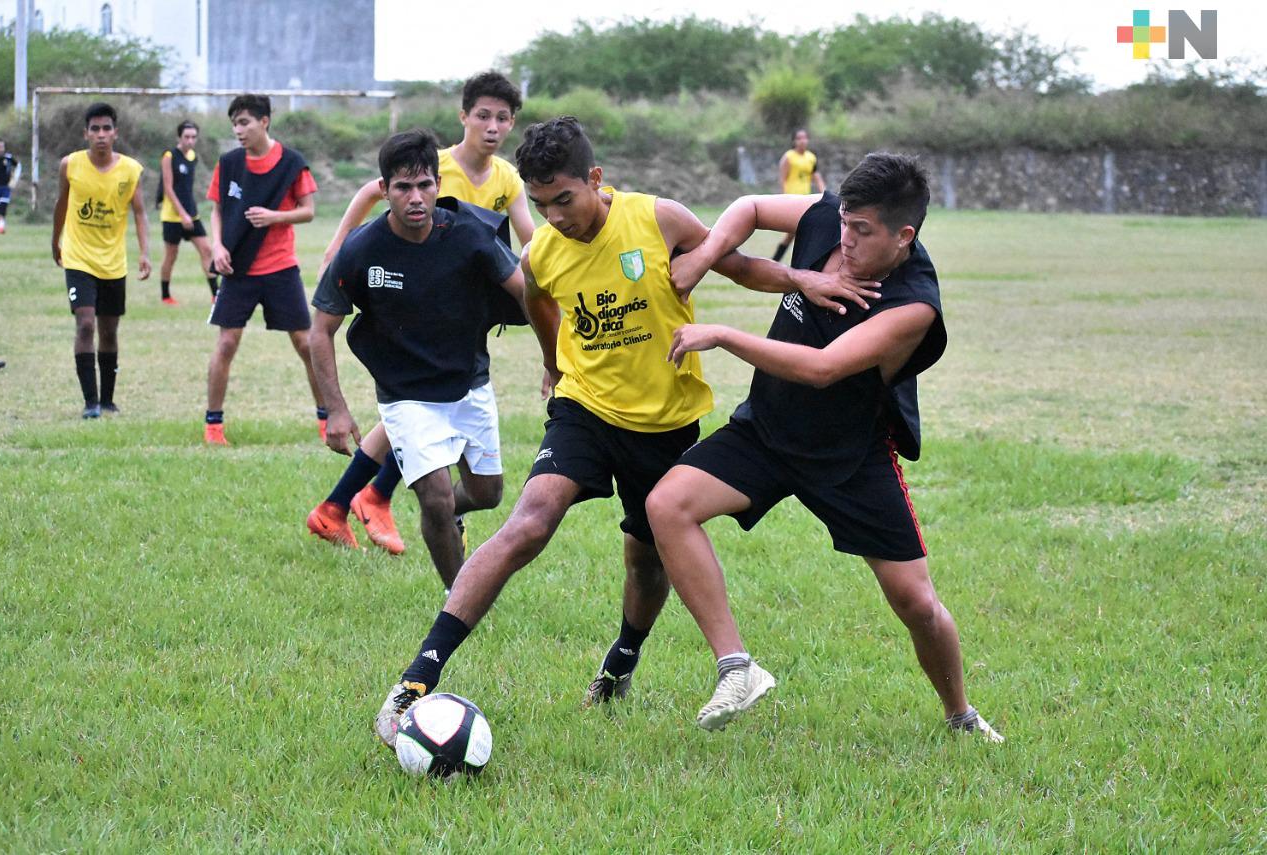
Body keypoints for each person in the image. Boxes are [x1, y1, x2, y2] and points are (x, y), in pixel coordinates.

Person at [370, 117, 882, 750]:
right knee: (530, 518)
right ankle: (418, 679)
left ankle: (622, 659)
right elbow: (537, 299)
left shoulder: (657, 219)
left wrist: (806, 279)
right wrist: (557, 367)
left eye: (565, 199)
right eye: (540, 204)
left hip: (665, 423)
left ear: (595, 179)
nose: (555, 216)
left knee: (645, 556)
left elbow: (740, 265)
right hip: (585, 409)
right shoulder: (543, 252)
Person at [647, 153, 1003, 741]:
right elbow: (753, 207)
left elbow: (821, 368)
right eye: (845, 221)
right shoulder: (831, 218)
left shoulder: (913, 304)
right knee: (667, 506)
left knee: (916, 603)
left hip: (849, 456)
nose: (846, 236)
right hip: (767, 431)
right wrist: (708, 256)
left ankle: (960, 714)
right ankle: (737, 667)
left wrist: (724, 334)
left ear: (902, 235)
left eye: (863, 231)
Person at [309, 71, 535, 555]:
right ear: (464, 117)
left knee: (484, 491)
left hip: (461, 343)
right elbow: (372, 197)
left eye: (502, 118)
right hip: (405, 351)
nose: (492, 126)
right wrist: (339, 241)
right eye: (483, 116)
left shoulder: (500, 188)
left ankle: (350, 501)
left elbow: (530, 254)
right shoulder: (429, 170)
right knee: (428, 478)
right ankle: (375, 508)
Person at [203, 93, 325, 446]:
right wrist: (218, 245)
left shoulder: (292, 163)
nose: (238, 131)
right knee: (226, 343)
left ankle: (325, 417)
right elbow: (216, 209)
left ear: (264, 121)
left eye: (244, 123)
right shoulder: (228, 164)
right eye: (234, 124)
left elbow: (308, 210)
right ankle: (213, 426)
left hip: (280, 269)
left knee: (305, 343)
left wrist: (276, 217)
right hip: (239, 269)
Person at [50, 103, 151, 419]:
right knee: (86, 324)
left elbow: (139, 212)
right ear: (85, 133)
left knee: (109, 331)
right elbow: (61, 205)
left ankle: (108, 400)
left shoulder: (131, 170)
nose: (101, 135)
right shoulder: (71, 165)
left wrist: (145, 253)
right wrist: (56, 241)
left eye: (107, 128)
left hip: (113, 263)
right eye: (95, 129)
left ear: (115, 133)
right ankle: (90, 403)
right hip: (79, 259)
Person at [158, 120, 217, 305]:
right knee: (171, 255)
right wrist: (182, 214)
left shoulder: (193, 156)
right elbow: (168, 188)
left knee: (206, 250)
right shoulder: (169, 156)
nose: (190, 141)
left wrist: (189, 213)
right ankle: (166, 296)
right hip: (172, 216)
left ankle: (216, 294)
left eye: (193, 137)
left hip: (192, 214)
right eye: (186, 137)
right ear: (179, 137)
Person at [771, 128, 825, 263]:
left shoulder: (811, 158)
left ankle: (776, 261)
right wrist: (783, 199)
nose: (802, 141)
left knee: (793, 234)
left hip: (806, 200)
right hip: (792, 199)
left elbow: (816, 177)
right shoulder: (788, 157)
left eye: (805, 138)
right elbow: (782, 179)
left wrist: (825, 194)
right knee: (798, 232)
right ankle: (796, 263)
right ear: (794, 141)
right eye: (799, 138)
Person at [0, 139, 21, 234]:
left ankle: (1, 226)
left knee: (3, 205)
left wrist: (15, 179)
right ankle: (0, 226)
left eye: (2, 147)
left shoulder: (9, 158)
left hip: (5, 187)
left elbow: (18, 166)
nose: (1, 149)